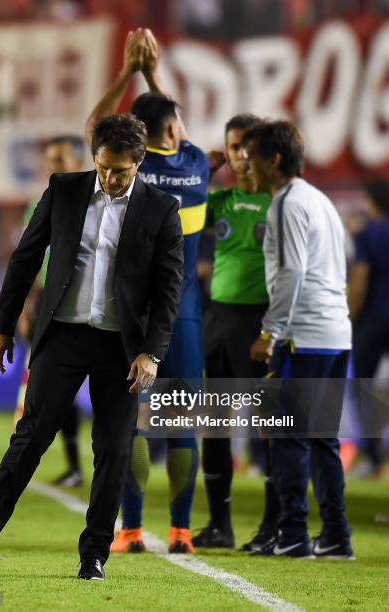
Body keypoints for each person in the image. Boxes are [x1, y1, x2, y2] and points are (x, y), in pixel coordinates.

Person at [0, 113, 184, 581]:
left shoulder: (162, 209)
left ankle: (94, 554)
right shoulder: (65, 189)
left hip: (123, 348)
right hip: (64, 336)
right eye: (102, 167)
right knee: (30, 438)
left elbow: (169, 286)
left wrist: (152, 352)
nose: (109, 178)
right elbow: (25, 257)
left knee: (114, 449)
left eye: (120, 170)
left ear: (139, 162)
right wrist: (3, 323)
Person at [85, 29, 209, 553]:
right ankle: (181, 531)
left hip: (134, 317)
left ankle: (131, 530)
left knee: (132, 422)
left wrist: (128, 70)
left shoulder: (138, 169)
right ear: (175, 128)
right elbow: (172, 124)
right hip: (184, 316)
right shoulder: (195, 163)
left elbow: (97, 128)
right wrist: (154, 74)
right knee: (185, 425)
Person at [246, 120, 354, 559]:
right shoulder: (321, 201)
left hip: (302, 336)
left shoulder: (286, 204)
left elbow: (292, 271)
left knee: (287, 436)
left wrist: (270, 331)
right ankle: (336, 536)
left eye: (252, 157)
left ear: (273, 160)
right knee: (323, 438)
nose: (247, 166)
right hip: (335, 333)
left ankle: (292, 533)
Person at [192, 114, 278, 551]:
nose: (240, 156)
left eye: (246, 146)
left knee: (269, 425)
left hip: (262, 321)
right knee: (215, 425)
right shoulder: (220, 200)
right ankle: (220, 525)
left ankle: (274, 525)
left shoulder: (279, 202)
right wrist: (202, 172)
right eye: (232, 147)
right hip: (219, 319)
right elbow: (179, 214)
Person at [15, 135, 86, 488]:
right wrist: (28, 307)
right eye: (49, 160)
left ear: (79, 162)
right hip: (48, 303)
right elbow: (31, 261)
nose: (52, 167)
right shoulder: (40, 203)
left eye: (60, 160)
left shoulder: (98, 201)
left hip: (89, 303)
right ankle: (73, 465)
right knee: (55, 389)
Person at [348, 178, 389, 477]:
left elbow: (360, 279)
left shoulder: (367, 234)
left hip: (373, 320)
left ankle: (372, 457)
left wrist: (349, 316)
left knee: (363, 387)